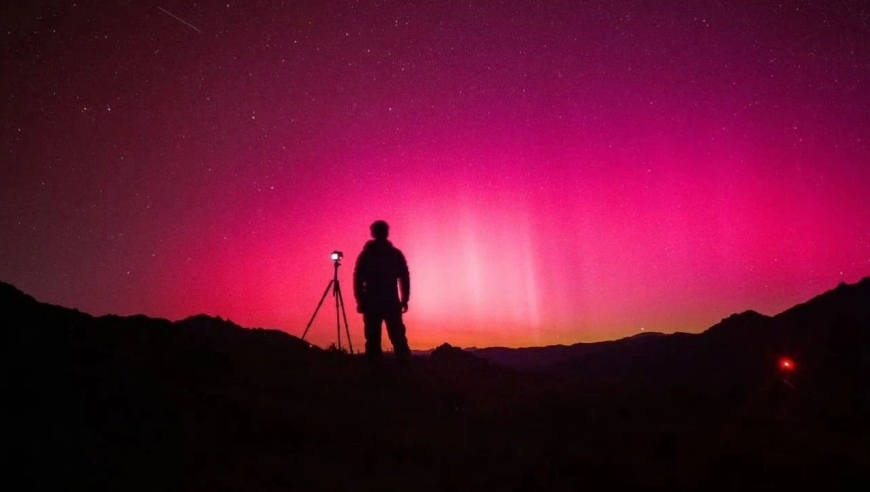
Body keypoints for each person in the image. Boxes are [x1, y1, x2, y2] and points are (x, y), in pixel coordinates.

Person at [353, 220, 411, 361]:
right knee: (397, 337)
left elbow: (358, 279)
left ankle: (376, 373)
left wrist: (361, 301)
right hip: (389, 302)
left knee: (374, 339)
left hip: (373, 302)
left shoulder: (367, 255)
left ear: (373, 233)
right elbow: (404, 277)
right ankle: (405, 371)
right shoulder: (395, 254)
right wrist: (404, 299)